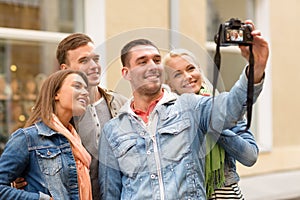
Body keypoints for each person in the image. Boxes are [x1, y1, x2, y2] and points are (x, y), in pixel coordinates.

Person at [98, 21, 269, 199]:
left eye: (156, 60)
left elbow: (232, 106)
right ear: (126, 73)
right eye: (142, 62)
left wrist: (256, 68)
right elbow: (110, 192)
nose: (152, 65)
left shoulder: (191, 107)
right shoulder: (112, 130)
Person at [163, 48, 259, 199]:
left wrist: (213, 124)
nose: (187, 76)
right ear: (170, 84)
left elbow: (250, 156)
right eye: (178, 74)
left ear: (199, 70)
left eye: (191, 68)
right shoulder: (166, 117)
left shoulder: (224, 108)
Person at [0, 69, 91, 200]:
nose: (85, 92)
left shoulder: (76, 141)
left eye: (86, 88)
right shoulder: (28, 138)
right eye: (77, 86)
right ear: (56, 94)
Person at [56, 33, 128, 199]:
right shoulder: (57, 113)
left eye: (95, 59)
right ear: (65, 69)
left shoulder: (123, 105)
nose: (94, 65)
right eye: (84, 61)